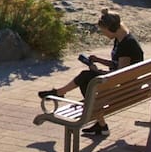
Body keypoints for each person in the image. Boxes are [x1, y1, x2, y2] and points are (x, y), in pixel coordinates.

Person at [39, 10, 143, 138]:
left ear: (111, 28)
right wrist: (99, 60)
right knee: (87, 81)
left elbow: (120, 75)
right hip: (129, 83)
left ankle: (59, 93)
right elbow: (119, 65)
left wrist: (98, 72)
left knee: (87, 78)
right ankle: (101, 126)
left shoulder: (126, 44)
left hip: (125, 89)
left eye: (103, 31)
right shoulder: (122, 37)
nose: (103, 34)